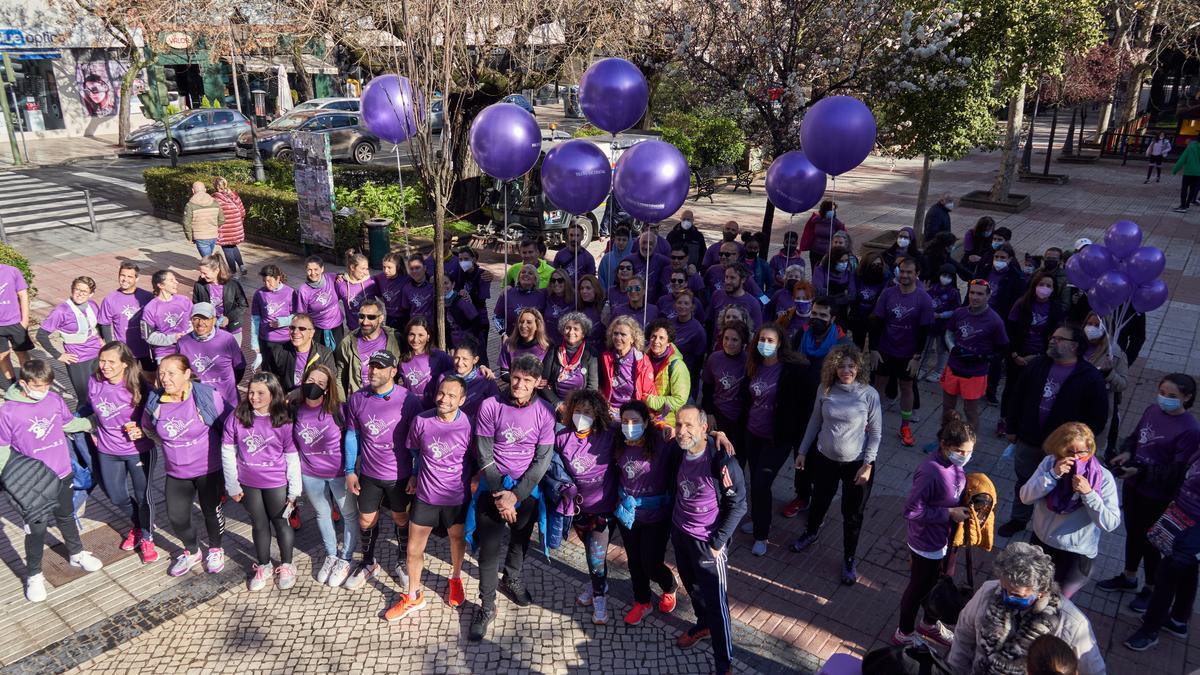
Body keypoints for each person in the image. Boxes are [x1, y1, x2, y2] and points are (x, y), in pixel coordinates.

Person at [468, 354, 556, 641]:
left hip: (525, 490)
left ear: (537, 384)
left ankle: (513, 577)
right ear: (510, 375)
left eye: (527, 381)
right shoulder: (491, 406)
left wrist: (516, 496)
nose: (519, 385)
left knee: (520, 540)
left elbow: (542, 461)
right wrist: (499, 495)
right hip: (492, 489)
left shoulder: (545, 412)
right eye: (516, 378)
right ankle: (487, 604)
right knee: (489, 549)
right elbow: (483, 452)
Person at [0, 359, 102, 602]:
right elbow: (2, 447)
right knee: (35, 529)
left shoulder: (54, 399)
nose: (43, 391)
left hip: (63, 472)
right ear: (23, 383)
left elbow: (67, 424)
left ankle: (76, 553)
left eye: (47, 386)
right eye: (37, 386)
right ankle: (34, 575)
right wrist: (8, 480)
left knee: (66, 515)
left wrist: (91, 423)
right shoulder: (8, 411)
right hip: (32, 482)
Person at [1100, 375, 1199, 611]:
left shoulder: (1190, 430)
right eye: (1162, 392)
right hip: (1134, 486)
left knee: (1151, 542)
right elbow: (1135, 438)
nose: (1165, 398)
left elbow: (1176, 471)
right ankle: (1129, 576)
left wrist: (1140, 470)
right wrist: (1126, 453)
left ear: (1187, 398)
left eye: (1172, 396)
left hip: (1157, 496)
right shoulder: (1152, 410)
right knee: (1133, 533)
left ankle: (1151, 587)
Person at [1000, 324, 1108, 537]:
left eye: (1059, 339)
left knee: (1059, 485)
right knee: (1025, 481)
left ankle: (1044, 528)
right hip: (1029, 440)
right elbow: (1016, 396)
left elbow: (1097, 417)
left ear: (1074, 346)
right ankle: (1019, 519)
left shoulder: (1089, 377)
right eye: (1053, 336)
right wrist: (1011, 427)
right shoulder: (1037, 365)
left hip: (1063, 450)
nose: (1052, 340)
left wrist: (1081, 447)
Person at [383, 375, 473, 621]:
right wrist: (413, 474)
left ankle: (455, 579)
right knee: (413, 549)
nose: (444, 399)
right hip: (426, 495)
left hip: (456, 496)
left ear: (462, 400)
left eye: (452, 395)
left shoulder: (468, 425)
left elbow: (475, 459)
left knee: (456, 538)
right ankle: (413, 596)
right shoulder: (421, 420)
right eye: (442, 393)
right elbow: (414, 450)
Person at [791, 344, 882, 586]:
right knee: (819, 500)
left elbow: (875, 433)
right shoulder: (825, 388)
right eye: (841, 366)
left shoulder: (869, 394)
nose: (846, 371)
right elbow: (814, 421)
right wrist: (802, 451)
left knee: (852, 514)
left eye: (851, 366)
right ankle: (811, 532)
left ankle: (849, 559)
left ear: (858, 368)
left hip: (857, 465)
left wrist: (868, 464)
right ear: (833, 368)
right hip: (825, 459)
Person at [136, 354, 231, 577]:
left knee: (211, 511)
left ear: (187, 374)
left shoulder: (206, 397)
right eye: (161, 374)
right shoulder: (155, 402)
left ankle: (215, 548)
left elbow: (229, 426)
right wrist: (169, 444)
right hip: (176, 472)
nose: (164, 379)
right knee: (177, 517)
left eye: (171, 374)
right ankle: (192, 551)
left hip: (209, 469)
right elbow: (148, 428)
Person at [669, 404, 747, 675]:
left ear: (704, 428)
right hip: (681, 534)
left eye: (689, 425)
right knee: (693, 588)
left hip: (708, 542)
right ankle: (702, 626)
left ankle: (723, 665)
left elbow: (739, 505)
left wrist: (717, 543)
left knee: (717, 605)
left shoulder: (721, 459)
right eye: (679, 424)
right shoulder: (676, 450)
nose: (682, 431)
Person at [947, 542, 1106, 674]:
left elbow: (1094, 671)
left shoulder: (1073, 624)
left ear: (1041, 591)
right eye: (1004, 588)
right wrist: (954, 670)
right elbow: (964, 633)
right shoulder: (988, 591)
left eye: (1017, 594)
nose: (1007, 596)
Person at [342, 350, 423, 590]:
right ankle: (368, 562)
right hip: (369, 474)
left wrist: (416, 472)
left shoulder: (408, 400)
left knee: (401, 518)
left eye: (380, 367)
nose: (373, 371)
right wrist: (349, 469)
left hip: (400, 475)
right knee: (366, 520)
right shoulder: (357, 399)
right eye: (371, 366)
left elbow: (418, 440)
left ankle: (402, 562)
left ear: (393, 371)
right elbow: (352, 435)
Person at [892, 410, 974, 647]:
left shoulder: (954, 465)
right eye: (960, 451)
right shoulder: (930, 471)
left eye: (969, 452)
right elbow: (911, 510)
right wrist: (949, 513)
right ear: (944, 445)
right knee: (918, 589)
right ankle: (904, 632)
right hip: (926, 542)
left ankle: (928, 624)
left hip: (947, 538)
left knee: (941, 583)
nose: (965, 457)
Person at [1020, 422, 1120, 599]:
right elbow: (1025, 497)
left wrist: (1089, 494)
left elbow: (1110, 523)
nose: (1075, 459)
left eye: (1081, 453)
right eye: (1068, 452)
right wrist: (1052, 476)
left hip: (1074, 555)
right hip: (1040, 545)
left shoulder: (1103, 477)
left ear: (1090, 450)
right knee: (1029, 595)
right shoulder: (1050, 463)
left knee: (1055, 605)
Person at [221, 372, 301, 591]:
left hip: (276, 482)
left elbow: (291, 456)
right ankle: (264, 565)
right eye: (251, 392)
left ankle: (287, 564)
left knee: (280, 523)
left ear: (273, 394)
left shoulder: (283, 419)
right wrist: (232, 485)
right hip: (248, 482)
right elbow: (228, 451)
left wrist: (294, 490)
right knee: (259, 524)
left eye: (260, 393)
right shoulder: (237, 416)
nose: (254, 397)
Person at [80, 343, 157, 563]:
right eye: (102, 360)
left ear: (124, 364)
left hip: (138, 451)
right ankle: (139, 525)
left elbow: (158, 413)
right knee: (117, 496)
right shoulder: (94, 381)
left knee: (144, 498)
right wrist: (69, 421)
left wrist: (143, 428)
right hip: (107, 449)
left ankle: (148, 536)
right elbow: (88, 407)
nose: (104, 366)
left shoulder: (139, 385)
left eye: (111, 361)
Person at [739, 324, 807, 556]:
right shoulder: (753, 365)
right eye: (761, 340)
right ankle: (760, 519)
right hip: (752, 433)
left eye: (770, 340)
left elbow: (801, 407)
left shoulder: (791, 370)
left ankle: (761, 535)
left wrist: (799, 442)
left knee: (761, 484)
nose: (765, 344)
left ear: (779, 344)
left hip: (776, 439)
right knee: (755, 482)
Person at [555, 389, 620, 624]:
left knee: (595, 556)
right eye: (578, 411)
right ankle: (596, 582)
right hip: (578, 511)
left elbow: (639, 425)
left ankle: (600, 596)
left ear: (598, 415)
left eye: (588, 413)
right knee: (591, 553)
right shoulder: (562, 438)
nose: (581, 416)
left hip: (604, 510)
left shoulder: (609, 434)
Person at [782, 298, 850, 518]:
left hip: (829, 413)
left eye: (823, 316)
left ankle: (819, 504)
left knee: (823, 462)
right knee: (800, 455)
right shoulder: (802, 335)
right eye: (814, 314)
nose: (817, 319)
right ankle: (802, 495)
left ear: (832, 319)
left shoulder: (842, 344)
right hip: (801, 407)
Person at [292, 364, 357, 588]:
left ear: (328, 389)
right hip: (311, 473)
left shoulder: (339, 410)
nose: (315, 386)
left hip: (339, 473)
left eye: (321, 383)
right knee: (322, 514)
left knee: (348, 515)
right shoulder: (295, 409)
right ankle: (331, 554)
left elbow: (353, 439)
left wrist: (352, 470)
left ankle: (346, 558)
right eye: (311, 380)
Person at [1123, 466, 1200, 651]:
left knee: (1168, 571)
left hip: (1195, 528)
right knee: (1188, 569)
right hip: (1181, 516)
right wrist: (1142, 471)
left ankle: (1149, 630)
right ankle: (1178, 620)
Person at [869, 258, 934, 447]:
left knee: (906, 388)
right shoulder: (888, 293)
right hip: (885, 349)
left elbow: (924, 330)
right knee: (878, 385)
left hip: (908, 353)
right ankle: (871, 422)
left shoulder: (923, 299)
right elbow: (876, 321)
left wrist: (917, 357)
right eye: (902, 271)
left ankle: (905, 426)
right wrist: (873, 349)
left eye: (909, 272)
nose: (904, 275)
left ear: (917, 274)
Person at [942, 279, 1009, 433]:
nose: (975, 297)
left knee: (970, 411)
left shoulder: (995, 321)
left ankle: (968, 448)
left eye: (980, 294)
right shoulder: (959, 313)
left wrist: (983, 358)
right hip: (953, 367)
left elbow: (1003, 347)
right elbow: (948, 333)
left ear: (988, 296)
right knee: (948, 408)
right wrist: (953, 349)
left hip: (975, 373)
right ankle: (944, 440)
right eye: (972, 292)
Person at [1002, 272, 1064, 435]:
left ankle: (1023, 422)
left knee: (1032, 391)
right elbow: (1010, 330)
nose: (1044, 289)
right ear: (1034, 286)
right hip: (1017, 355)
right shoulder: (1022, 304)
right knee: (1012, 388)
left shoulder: (1056, 309)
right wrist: (1015, 355)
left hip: (1041, 357)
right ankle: (1004, 420)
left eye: (1048, 286)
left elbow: (1058, 336)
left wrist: (1039, 357)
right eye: (1041, 284)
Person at [36, 275, 103, 406]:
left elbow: (98, 324)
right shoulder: (61, 311)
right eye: (77, 289)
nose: (80, 294)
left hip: (96, 354)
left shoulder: (93, 305)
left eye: (84, 291)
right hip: (77, 358)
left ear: (91, 294)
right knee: (84, 397)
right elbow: (41, 335)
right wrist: (58, 355)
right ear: (72, 289)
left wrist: (101, 339)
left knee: (98, 392)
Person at [177, 302, 246, 407]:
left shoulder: (227, 339)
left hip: (228, 401)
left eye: (205, 318)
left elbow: (240, 366)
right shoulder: (183, 343)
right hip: (200, 403)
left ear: (214, 320)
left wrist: (229, 385)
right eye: (196, 318)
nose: (200, 323)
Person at [701, 321, 750, 464]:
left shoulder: (749, 360)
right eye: (726, 338)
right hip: (718, 414)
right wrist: (709, 413)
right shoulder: (714, 358)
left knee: (737, 458)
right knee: (717, 456)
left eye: (735, 340)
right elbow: (707, 388)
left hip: (741, 418)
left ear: (743, 342)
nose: (729, 343)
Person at [333, 298, 400, 401]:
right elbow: (340, 378)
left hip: (388, 400)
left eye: (371, 317)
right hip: (360, 400)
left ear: (381, 318)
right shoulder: (347, 343)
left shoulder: (395, 339)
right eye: (361, 316)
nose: (365, 322)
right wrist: (342, 405)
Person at [1081, 312, 1129, 454]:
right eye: (1089, 324)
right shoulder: (1076, 345)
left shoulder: (1114, 353)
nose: (1092, 328)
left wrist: (1109, 374)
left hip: (1095, 411)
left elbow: (1123, 384)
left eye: (1097, 325)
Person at [98, 261, 154, 372]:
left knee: (151, 378)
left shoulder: (147, 297)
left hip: (147, 349)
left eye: (129, 276)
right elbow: (104, 324)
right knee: (128, 382)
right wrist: (112, 348)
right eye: (122, 275)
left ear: (136, 279)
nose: (125, 279)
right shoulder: (110, 299)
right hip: (125, 351)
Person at [540, 312, 599, 417]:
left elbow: (592, 387)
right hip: (556, 405)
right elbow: (543, 383)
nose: (571, 332)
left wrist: (579, 407)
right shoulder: (554, 350)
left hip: (581, 406)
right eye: (568, 328)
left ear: (583, 333)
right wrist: (558, 404)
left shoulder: (591, 353)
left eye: (576, 329)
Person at [263, 311, 332, 398]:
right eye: (292, 327)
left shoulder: (325, 354)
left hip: (314, 400)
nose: (295, 332)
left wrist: (301, 392)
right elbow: (269, 381)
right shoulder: (277, 352)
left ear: (311, 333)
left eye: (302, 328)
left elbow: (330, 383)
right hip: (286, 401)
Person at [599, 316, 656, 417]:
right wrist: (605, 405)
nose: (618, 338)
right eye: (615, 333)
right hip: (610, 410)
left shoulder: (642, 361)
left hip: (633, 411)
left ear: (633, 339)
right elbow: (600, 386)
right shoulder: (605, 358)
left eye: (623, 335)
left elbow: (648, 393)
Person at [192, 254, 249, 344]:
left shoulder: (233, 284)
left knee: (234, 356)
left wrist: (228, 318)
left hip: (232, 328)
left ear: (216, 271)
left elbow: (243, 305)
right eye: (201, 272)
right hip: (210, 330)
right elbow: (196, 306)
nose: (202, 276)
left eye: (205, 273)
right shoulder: (199, 285)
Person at [251, 265, 296, 377]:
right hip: (266, 340)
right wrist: (255, 344)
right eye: (264, 281)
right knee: (269, 376)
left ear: (278, 278)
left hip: (285, 340)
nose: (267, 284)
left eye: (270, 281)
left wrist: (282, 322)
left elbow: (297, 316)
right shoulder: (259, 294)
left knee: (287, 375)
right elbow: (255, 319)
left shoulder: (290, 292)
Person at [643, 319, 690, 427]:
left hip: (666, 422)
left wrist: (652, 401)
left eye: (661, 338)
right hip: (644, 418)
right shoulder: (642, 359)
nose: (656, 341)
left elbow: (679, 400)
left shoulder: (677, 366)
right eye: (653, 336)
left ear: (669, 342)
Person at [438, 338, 500, 419]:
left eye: (465, 359)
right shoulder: (444, 378)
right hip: (451, 426)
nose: (460, 363)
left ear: (475, 359)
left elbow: (496, 406)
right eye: (457, 358)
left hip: (477, 426)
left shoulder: (485, 379)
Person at [920, 263, 961, 382]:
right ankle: (922, 368)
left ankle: (939, 371)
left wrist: (941, 315)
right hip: (930, 324)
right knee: (925, 347)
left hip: (943, 325)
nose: (945, 278)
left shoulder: (954, 292)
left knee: (941, 349)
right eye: (943, 275)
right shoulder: (933, 287)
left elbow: (956, 310)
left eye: (949, 276)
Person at [141, 270, 192, 363]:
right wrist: (173, 338)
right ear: (161, 285)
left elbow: (194, 322)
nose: (177, 282)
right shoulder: (150, 308)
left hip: (189, 348)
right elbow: (148, 337)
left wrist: (187, 334)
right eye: (171, 280)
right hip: (165, 353)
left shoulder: (184, 300)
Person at [397, 316, 453, 402]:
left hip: (435, 410)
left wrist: (480, 369)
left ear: (428, 337)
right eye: (412, 334)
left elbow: (460, 370)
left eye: (421, 335)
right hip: (413, 409)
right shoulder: (402, 360)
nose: (415, 340)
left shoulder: (440, 356)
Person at [295, 256, 346, 349]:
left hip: (337, 325)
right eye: (309, 270)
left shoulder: (331, 277)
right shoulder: (304, 290)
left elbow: (344, 277)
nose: (313, 273)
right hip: (318, 329)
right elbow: (302, 315)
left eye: (316, 269)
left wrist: (341, 275)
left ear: (322, 269)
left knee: (339, 353)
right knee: (321, 357)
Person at [847, 252, 886, 350]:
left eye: (879, 264)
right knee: (858, 342)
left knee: (874, 344)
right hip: (858, 314)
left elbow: (882, 297)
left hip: (874, 314)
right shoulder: (857, 276)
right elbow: (853, 294)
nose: (877, 267)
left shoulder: (883, 278)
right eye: (873, 264)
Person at [494, 264, 547, 336]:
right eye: (523, 272)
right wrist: (503, 334)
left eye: (530, 273)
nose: (526, 274)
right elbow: (497, 317)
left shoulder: (542, 295)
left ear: (535, 280)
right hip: (511, 339)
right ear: (518, 277)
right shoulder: (508, 293)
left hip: (534, 341)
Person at [498, 308, 550, 380]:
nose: (523, 325)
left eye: (529, 322)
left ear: (537, 326)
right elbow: (504, 373)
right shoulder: (509, 344)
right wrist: (522, 381)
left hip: (538, 388)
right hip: (516, 386)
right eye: (521, 322)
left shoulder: (546, 347)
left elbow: (546, 376)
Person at [710, 263, 763, 331]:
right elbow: (710, 323)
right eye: (726, 277)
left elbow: (757, 332)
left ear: (743, 280)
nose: (728, 281)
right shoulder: (717, 295)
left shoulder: (753, 303)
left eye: (732, 278)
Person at [336, 251, 378, 334]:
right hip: (353, 331)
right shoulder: (340, 284)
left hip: (372, 329)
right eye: (363, 269)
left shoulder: (371, 282)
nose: (366, 272)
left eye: (367, 269)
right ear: (352, 267)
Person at [212, 176, 247, 275]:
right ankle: (242, 266)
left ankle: (233, 271)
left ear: (215, 187)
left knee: (227, 249)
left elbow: (214, 216)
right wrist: (239, 222)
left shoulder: (215, 199)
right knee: (233, 246)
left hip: (225, 229)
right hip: (236, 227)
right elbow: (242, 212)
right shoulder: (234, 196)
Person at [812, 246, 856, 323]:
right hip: (822, 309)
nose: (844, 264)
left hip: (840, 310)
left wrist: (835, 300)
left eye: (846, 261)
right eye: (841, 261)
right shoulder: (821, 270)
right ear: (833, 260)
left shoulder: (848, 273)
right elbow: (818, 290)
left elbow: (852, 295)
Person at [623, 231, 672, 299]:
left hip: (653, 305)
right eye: (644, 242)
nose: (646, 247)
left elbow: (676, 267)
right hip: (633, 302)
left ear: (655, 245)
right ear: (639, 243)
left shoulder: (663, 260)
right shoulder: (629, 260)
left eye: (650, 243)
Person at [183, 181, 225, 258]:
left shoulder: (190, 205)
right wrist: (214, 226)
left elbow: (186, 223)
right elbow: (222, 219)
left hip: (200, 236)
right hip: (213, 235)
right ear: (205, 190)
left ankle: (216, 269)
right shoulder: (215, 203)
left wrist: (189, 237)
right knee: (209, 257)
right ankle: (214, 268)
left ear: (193, 190)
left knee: (208, 260)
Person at [799, 200, 845, 270]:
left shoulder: (837, 223)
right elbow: (809, 231)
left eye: (833, 210)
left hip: (828, 253)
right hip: (815, 252)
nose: (832, 211)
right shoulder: (816, 220)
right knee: (815, 272)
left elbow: (843, 236)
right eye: (830, 210)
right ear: (824, 210)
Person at [397, 254, 436, 330]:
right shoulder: (406, 288)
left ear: (424, 268)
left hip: (431, 327)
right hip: (414, 327)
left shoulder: (433, 285)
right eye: (411, 268)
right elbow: (405, 311)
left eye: (417, 268)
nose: (414, 271)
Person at [374, 252, 408, 331]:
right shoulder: (379, 278)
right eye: (384, 267)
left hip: (405, 317)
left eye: (389, 267)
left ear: (398, 267)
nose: (386, 270)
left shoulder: (406, 279)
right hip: (390, 316)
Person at [598, 226, 635, 290]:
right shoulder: (606, 259)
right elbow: (601, 278)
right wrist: (605, 294)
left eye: (624, 240)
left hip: (629, 296)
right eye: (618, 239)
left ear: (629, 241)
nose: (621, 242)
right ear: (615, 240)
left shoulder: (634, 259)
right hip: (609, 296)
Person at [958, 217, 995, 281]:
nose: (987, 232)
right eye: (985, 230)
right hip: (972, 266)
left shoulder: (993, 236)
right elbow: (969, 254)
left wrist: (981, 259)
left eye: (989, 230)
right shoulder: (971, 234)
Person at [543, 269, 574, 344]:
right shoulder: (545, 295)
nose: (556, 283)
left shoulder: (575, 298)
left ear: (566, 281)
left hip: (567, 344)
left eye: (560, 280)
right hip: (548, 343)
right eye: (553, 280)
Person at [1171, 137, 1200, 213]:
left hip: (1189, 172)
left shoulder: (1191, 147)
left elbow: (1182, 159)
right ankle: (1187, 205)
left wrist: (1175, 170)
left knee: (1184, 189)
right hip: (1198, 173)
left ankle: (1183, 206)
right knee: (1192, 189)